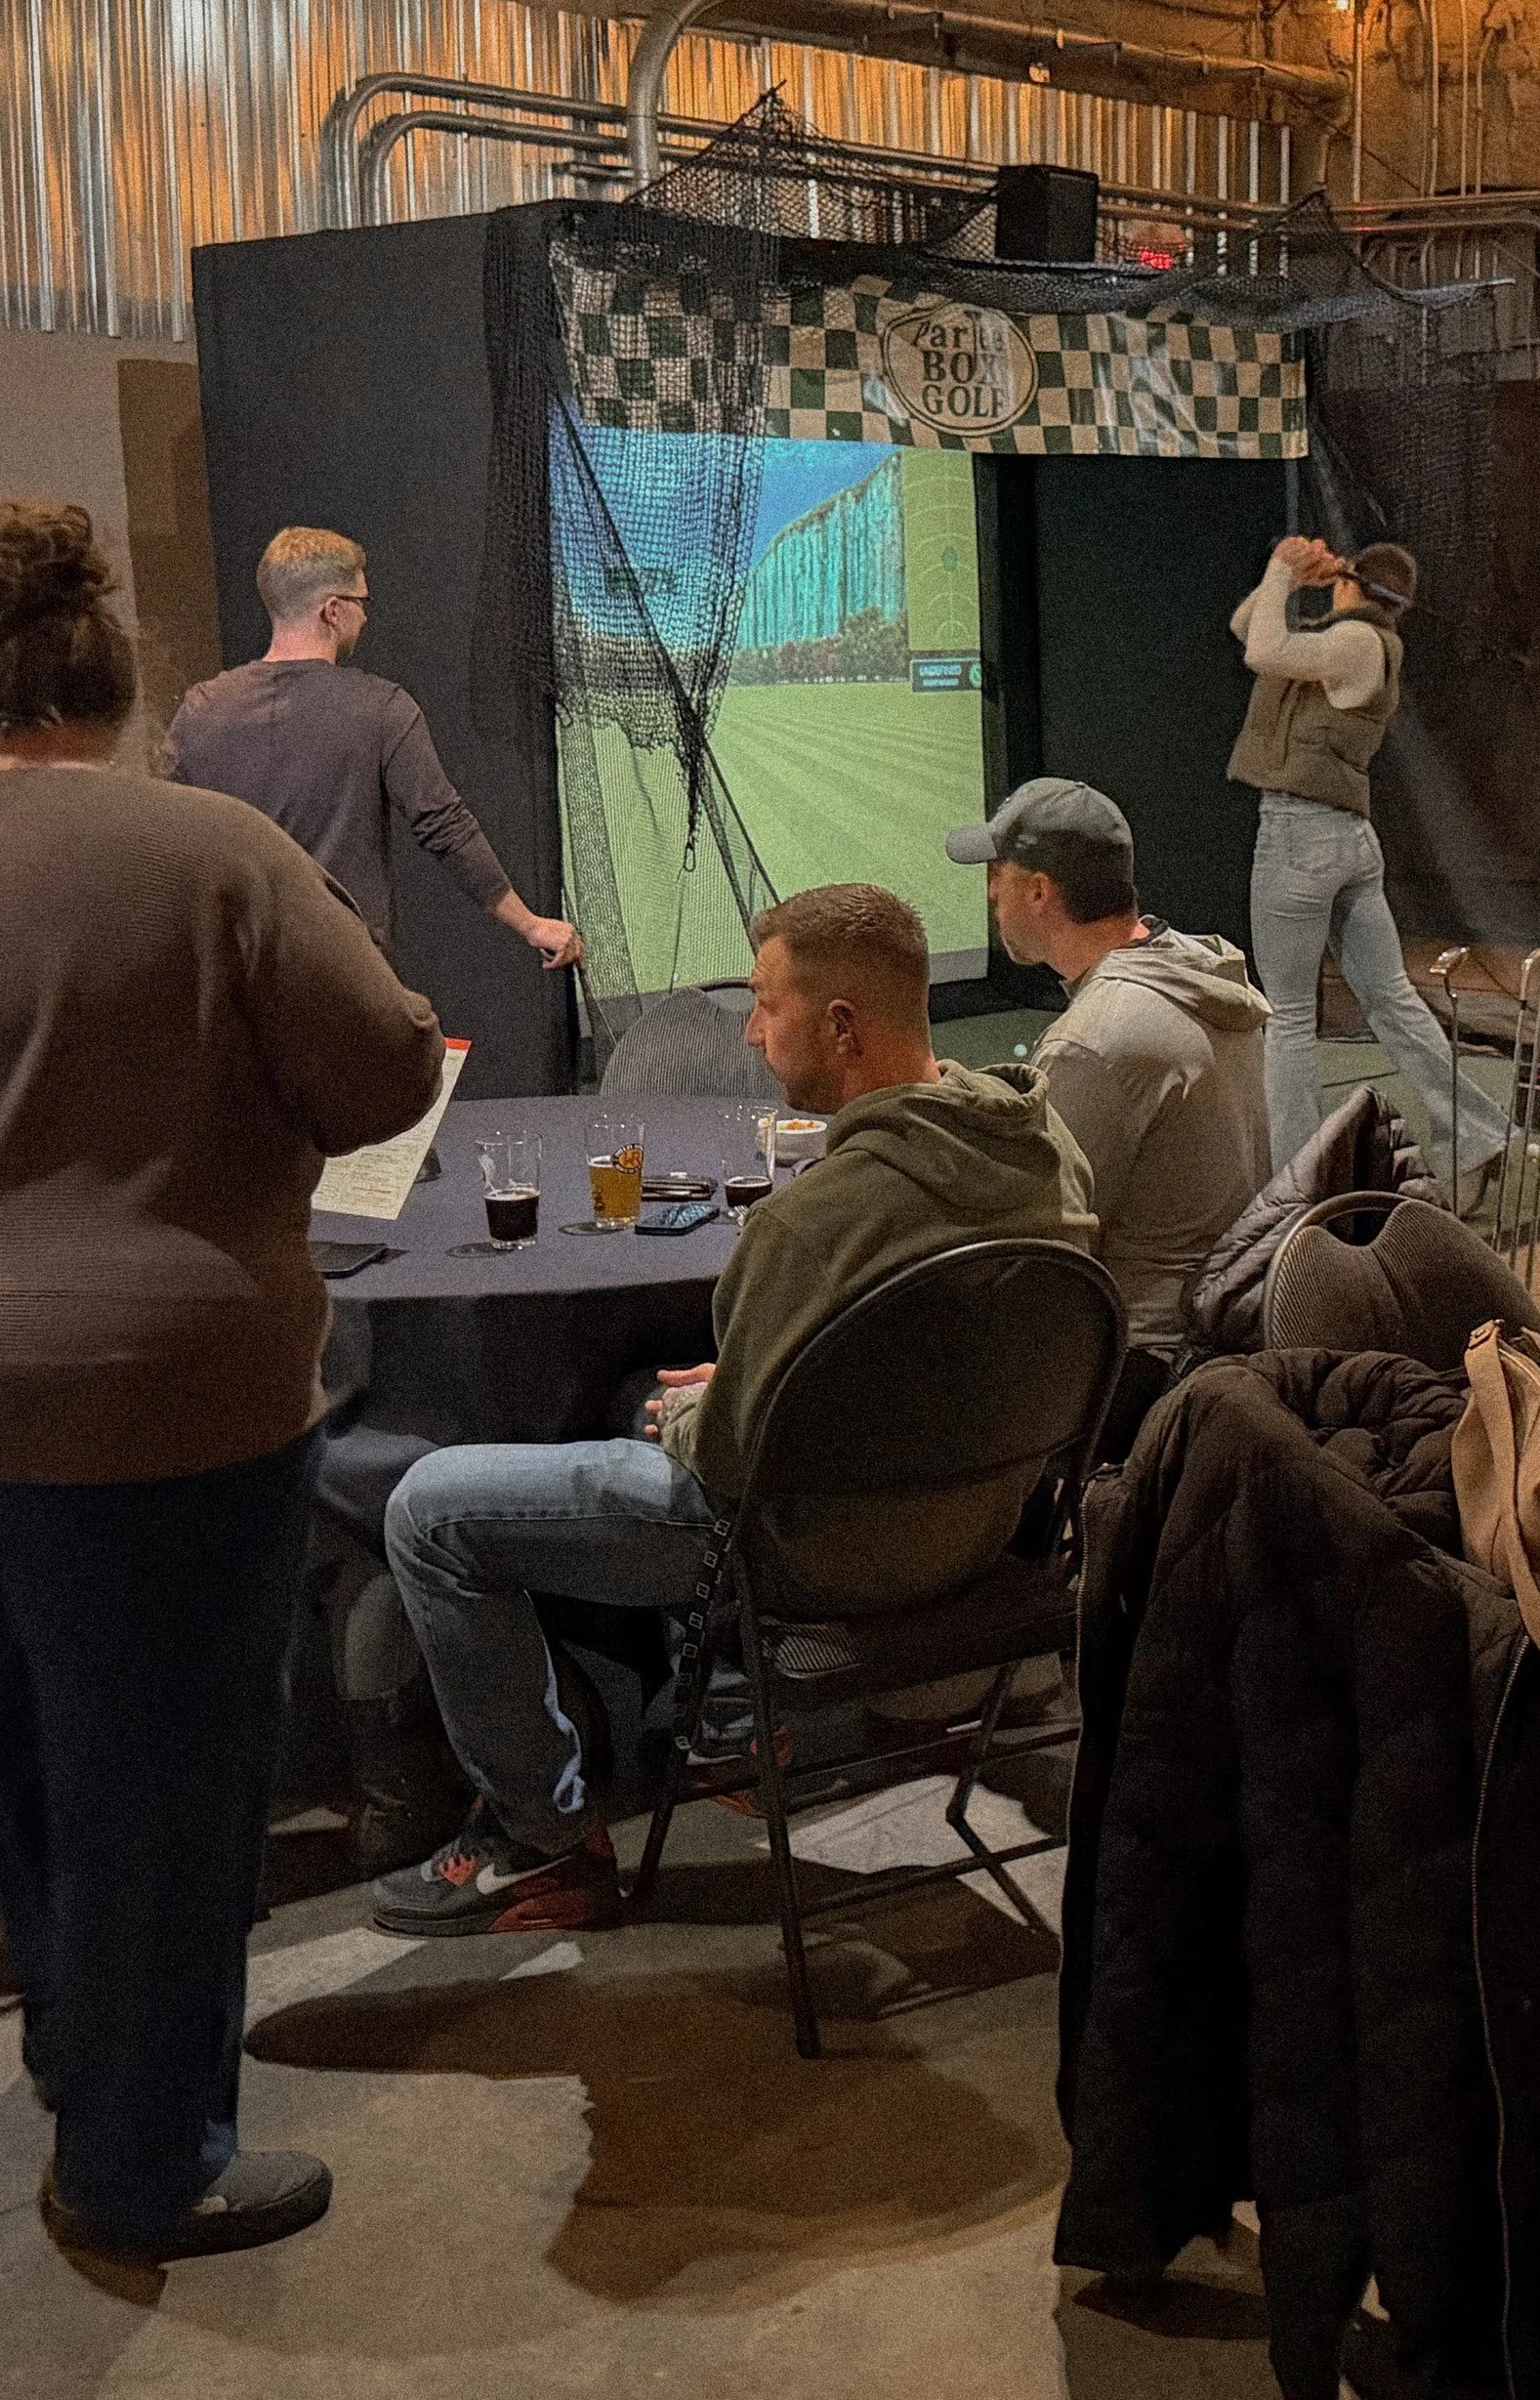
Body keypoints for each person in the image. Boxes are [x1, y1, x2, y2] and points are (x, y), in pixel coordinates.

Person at [0, 501, 443, 2265]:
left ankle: (76, 2066)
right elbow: (387, 1064)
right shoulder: (211, 853)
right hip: (165, 1411)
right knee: (167, 1797)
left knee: (31, 1769)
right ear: (110, 679)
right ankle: (142, 2161)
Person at [371, 883, 1097, 1938]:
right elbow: (954, 1351)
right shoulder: (1050, 1158)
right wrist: (769, 1375)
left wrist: (713, 1407)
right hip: (987, 1540)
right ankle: (723, 1721)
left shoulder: (813, 1222)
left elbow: (723, 1460)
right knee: (657, 1392)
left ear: (839, 1025)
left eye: (766, 1004)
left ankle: (543, 1840)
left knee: (429, 1510)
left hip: (818, 1555)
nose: (751, 1032)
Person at [945, 777, 1269, 1356]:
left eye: (999, 874)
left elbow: (1035, 1237)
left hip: (1133, 1359)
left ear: (1040, 891)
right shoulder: (1197, 965)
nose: (992, 893)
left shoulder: (1094, 1041)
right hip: (1219, 1332)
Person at [1227, 532, 1508, 1200]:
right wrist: (1291, 581)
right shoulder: (1349, 631)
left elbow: (1261, 648)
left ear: (1358, 583)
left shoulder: (1356, 644)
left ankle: (1293, 1183)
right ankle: (1474, 1130)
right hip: (1344, 839)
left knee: (1291, 1015)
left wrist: (1279, 568)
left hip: (1302, 836)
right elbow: (1248, 624)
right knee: (1388, 996)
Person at [165, 526, 583, 972]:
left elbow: (168, 837)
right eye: (360, 602)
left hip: (237, 975)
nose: (365, 617)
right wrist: (531, 925)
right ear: (332, 611)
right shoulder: (381, 709)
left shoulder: (201, 708)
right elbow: (444, 825)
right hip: (347, 975)